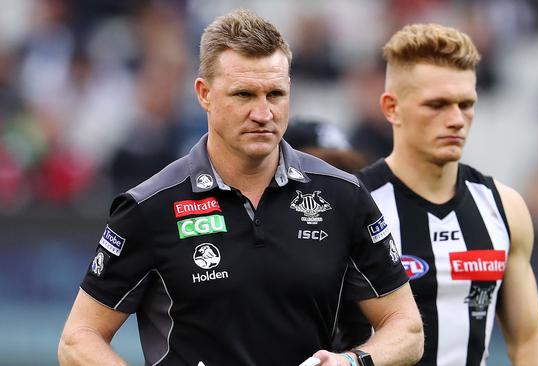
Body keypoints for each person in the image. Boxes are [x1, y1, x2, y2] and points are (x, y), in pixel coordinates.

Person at [57, 9, 423, 366]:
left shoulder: (344, 196)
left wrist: (351, 362)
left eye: (275, 95)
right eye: (244, 95)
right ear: (204, 93)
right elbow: (79, 338)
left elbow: (406, 328)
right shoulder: (150, 206)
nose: (263, 113)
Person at [334, 23, 538, 365]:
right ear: (391, 108)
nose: (456, 119)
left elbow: (529, 340)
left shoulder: (504, 207)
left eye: (465, 104)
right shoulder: (351, 205)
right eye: (437, 104)